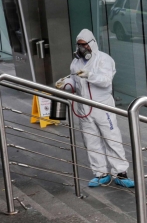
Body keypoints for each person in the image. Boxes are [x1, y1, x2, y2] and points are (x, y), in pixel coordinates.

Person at [55, 30, 134, 189]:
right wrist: (65, 83)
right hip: (84, 108)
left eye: (84, 45)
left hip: (102, 106)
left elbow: (105, 81)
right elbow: (74, 79)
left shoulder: (104, 60)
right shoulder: (76, 62)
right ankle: (100, 173)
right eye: (79, 45)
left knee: (112, 139)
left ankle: (120, 173)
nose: (82, 48)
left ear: (92, 44)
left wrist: (89, 74)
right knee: (91, 141)